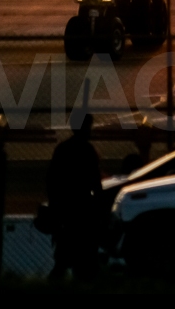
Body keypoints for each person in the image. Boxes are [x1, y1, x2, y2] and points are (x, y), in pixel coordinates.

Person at [46, 111, 104, 283]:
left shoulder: (62, 149)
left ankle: (58, 281)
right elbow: (95, 182)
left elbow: (51, 180)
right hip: (82, 207)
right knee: (86, 253)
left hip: (64, 208)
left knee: (63, 255)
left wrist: (54, 206)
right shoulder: (87, 150)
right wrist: (99, 205)